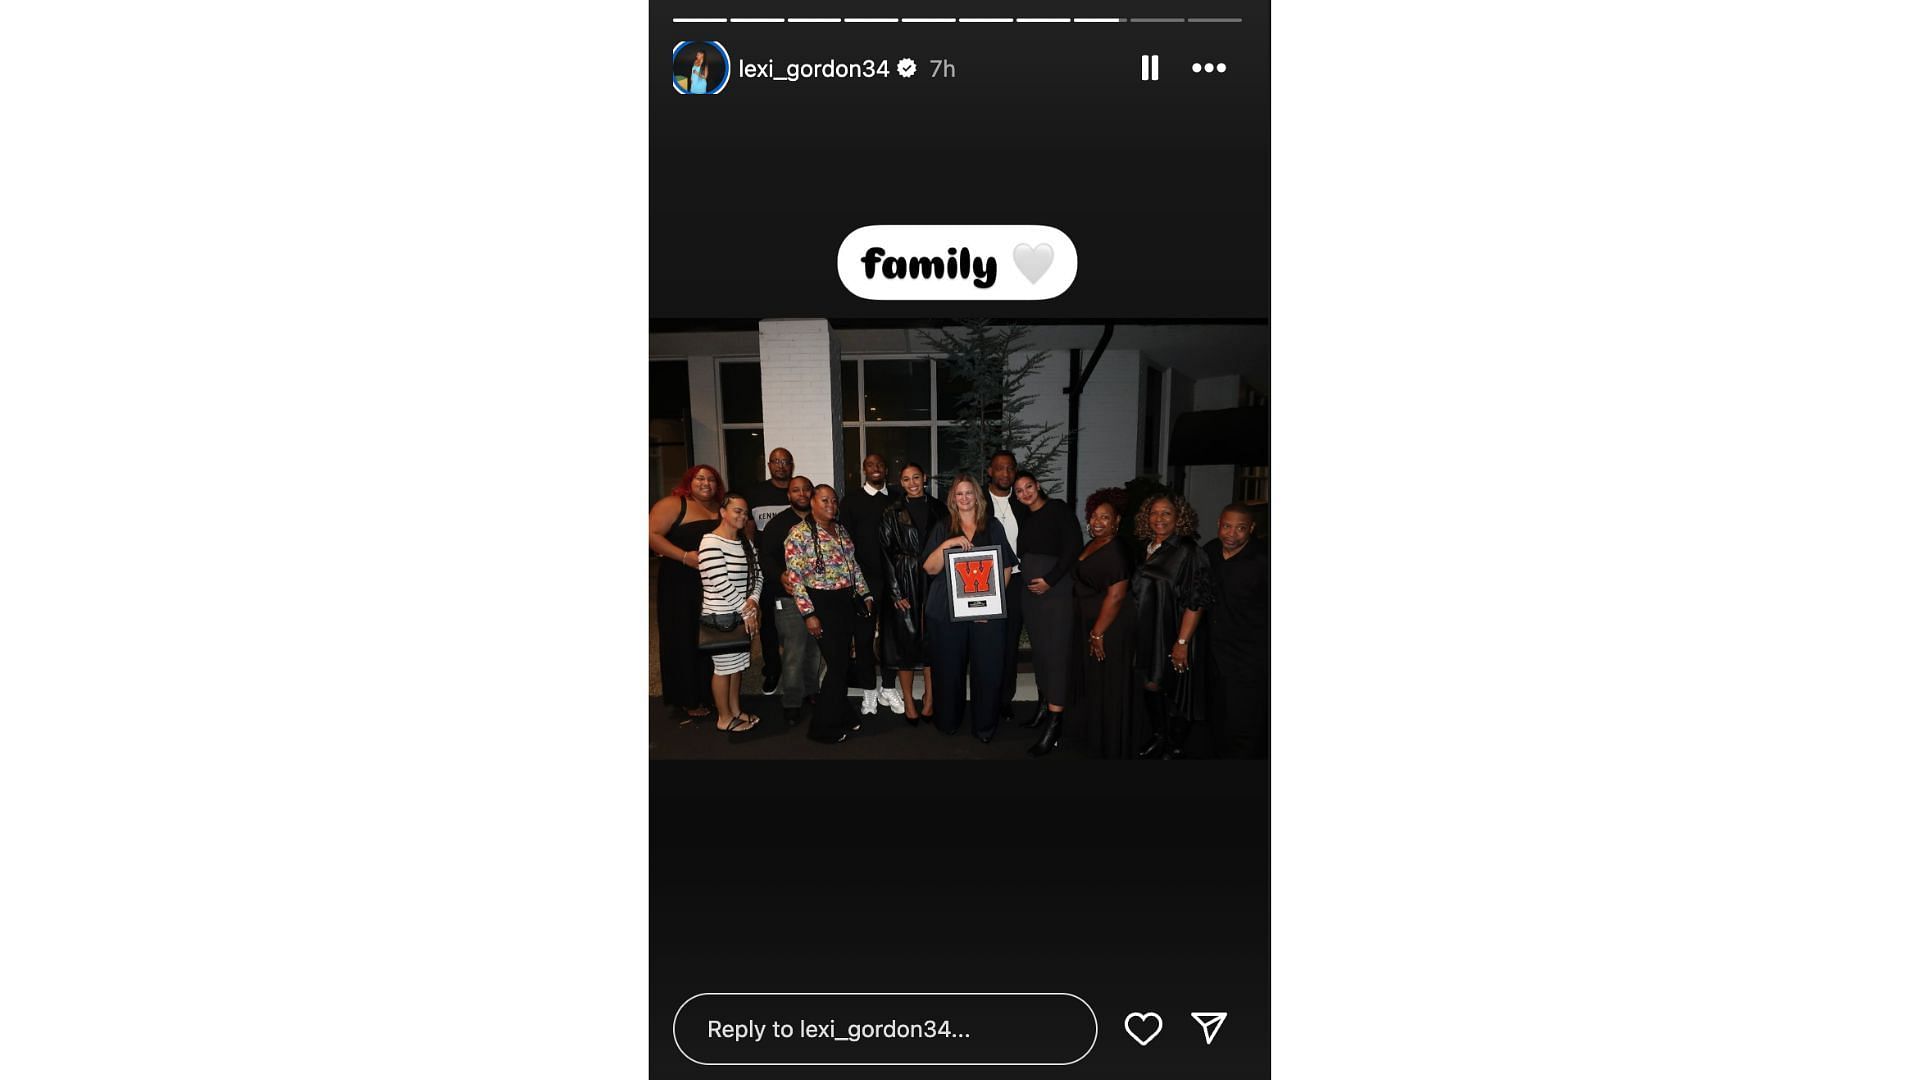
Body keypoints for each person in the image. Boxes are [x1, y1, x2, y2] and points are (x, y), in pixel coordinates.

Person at [922, 473, 1014, 743]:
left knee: (987, 670)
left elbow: (1006, 568)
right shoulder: (943, 526)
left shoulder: (993, 526)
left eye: (969, 493)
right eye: (958, 494)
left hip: (985, 613)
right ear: (953, 498)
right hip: (946, 611)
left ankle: (984, 727)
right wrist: (948, 544)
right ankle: (948, 722)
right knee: (948, 669)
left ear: (977, 496)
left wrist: (992, 605)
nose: (964, 498)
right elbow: (929, 568)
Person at [1130, 493, 1217, 759]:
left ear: (1179, 517)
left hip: (1176, 631)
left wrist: (1182, 643)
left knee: (1179, 691)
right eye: (1154, 513)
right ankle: (1160, 736)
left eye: (1167, 513)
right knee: (1151, 684)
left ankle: (1176, 743)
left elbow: (1197, 600)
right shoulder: (1145, 547)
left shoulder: (1188, 551)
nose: (1159, 518)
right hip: (1148, 631)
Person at [785, 484, 874, 744]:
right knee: (837, 665)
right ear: (812, 502)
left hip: (846, 601)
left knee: (842, 662)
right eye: (825, 500)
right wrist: (808, 614)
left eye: (834, 501)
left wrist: (865, 594)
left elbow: (853, 566)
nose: (831, 506)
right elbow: (795, 578)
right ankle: (822, 727)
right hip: (822, 604)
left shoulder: (841, 529)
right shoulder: (799, 534)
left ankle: (843, 713)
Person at [648, 464, 724, 720]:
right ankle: (687, 697)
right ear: (689, 481)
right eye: (700, 478)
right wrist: (683, 557)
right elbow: (652, 535)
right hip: (680, 582)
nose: (706, 483)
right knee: (683, 638)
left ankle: (711, 692)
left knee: (710, 638)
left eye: (711, 479)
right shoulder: (673, 504)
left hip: (712, 583)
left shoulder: (719, 508)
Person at [1013, 472, 1081, 756]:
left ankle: (1055, 726)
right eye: (1019, 490)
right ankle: (1043, 709)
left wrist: (1050, 579)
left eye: (1028, 486)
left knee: (1056, 656)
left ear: (1038, 486)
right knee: (1040, 653)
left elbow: (1073, 548)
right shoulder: (1025, 517)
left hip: (1056, 593)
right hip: (1033, 597)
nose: (1025, 493)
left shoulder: (1059, 510)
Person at [1070, 490, 1139, 758]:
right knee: (1096, 684)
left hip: (1110, 627)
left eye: (1105, 517)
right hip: (1090, 623)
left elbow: (1117, 594)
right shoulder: (1093, 543)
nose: (1098, 521)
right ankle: (1096, 737)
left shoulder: (1117, 549)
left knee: (1110, 685)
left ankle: (1112, 744)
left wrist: (1098, 633)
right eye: (1095, 516)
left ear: (1117, 520)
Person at [1201, 503, 1269, 758]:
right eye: (1227, 526)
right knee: (1218, 721)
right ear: (1219, 523)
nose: (1232, 533)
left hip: (1250, 657)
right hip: (1215, 654)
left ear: (1251, 528)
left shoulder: (1264, 560)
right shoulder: (1209, 552)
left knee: (1247, 725)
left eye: (1240, 528)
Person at [839, 452, 902, 717]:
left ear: (886, 469)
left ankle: (888, 687)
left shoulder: (897, 499)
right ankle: (868, 690)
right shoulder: (851, 501)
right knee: (864, 638)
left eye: (879, 464)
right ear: (863, 470)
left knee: (892, 637)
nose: (875, 468)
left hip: (894, 581)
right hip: (863, 582)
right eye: (869, 465)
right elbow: (844, 543)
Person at [698, 492, 764, 733]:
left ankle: (735, 711)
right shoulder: (710, 542)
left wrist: (754, 601)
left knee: (737, 665)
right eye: (738, 511)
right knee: (723, 668)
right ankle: (724, 718)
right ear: (723, 512)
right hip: (721, 617)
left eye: (745, 512)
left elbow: (758, 575)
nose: (743, 516)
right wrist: (746, 612)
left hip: (742, 615)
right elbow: (720, 582)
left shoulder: (745, 542)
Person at [763, 476, 823, 727]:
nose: (801, 493)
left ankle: (812, 692)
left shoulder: (821, 520)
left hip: (819, 598)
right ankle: (792, 703)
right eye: (795, 490)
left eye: (805, 489)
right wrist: (779, 575)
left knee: (815, 652)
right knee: (794, 653)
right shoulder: (778, 525)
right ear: (788, 495)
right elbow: (765, 557)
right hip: (788, 599)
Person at [879, 463, 936, 723]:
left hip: (935, 581)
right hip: (904, 579)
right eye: (906, 479)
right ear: (900, 483)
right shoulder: (892, 511)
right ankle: (909, 700)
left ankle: (930, 698)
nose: (912, 483)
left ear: (924, 478)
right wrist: (894, 591)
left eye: (916, 477)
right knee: (905, 644)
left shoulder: (940, 507)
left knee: (933, 642)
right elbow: (885, 554)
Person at [744, 448, 796, 696]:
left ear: (791, 465)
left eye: (785, 461)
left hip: (798, 571)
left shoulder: (797, 492)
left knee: (799, 623)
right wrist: (753, 562)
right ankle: (773, 668)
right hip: (767, 569)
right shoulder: (756, 493)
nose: (781, 466)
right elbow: (749, 531)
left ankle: (799, 670)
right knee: (769, 625)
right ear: (769, 464)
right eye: (776, 461)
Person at [983, 450, 1030, 726]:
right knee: (987, 641)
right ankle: (985, 696)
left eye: (1010, 469)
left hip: (1017, 582)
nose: (1005, 474)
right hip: (984, 582)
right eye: (999, 468)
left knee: (1009, 642)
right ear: (990, 471)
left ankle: (1004, 699)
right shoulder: (978, 501)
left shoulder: (1023, 502)